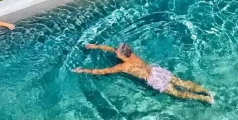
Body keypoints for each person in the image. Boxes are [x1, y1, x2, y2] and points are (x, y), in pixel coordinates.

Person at [73, 43, 213, 103]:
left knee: (177, 93)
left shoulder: (122, 66)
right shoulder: (131, 55)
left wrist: (84, 70)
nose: (115, 50)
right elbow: (112, 49)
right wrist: (96, 46)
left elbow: (102, 72)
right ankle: (206, 91)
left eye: (117, 51)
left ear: (122, 55)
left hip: (153, 79)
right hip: (156, 70)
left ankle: (203, 99)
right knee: (181, 82)